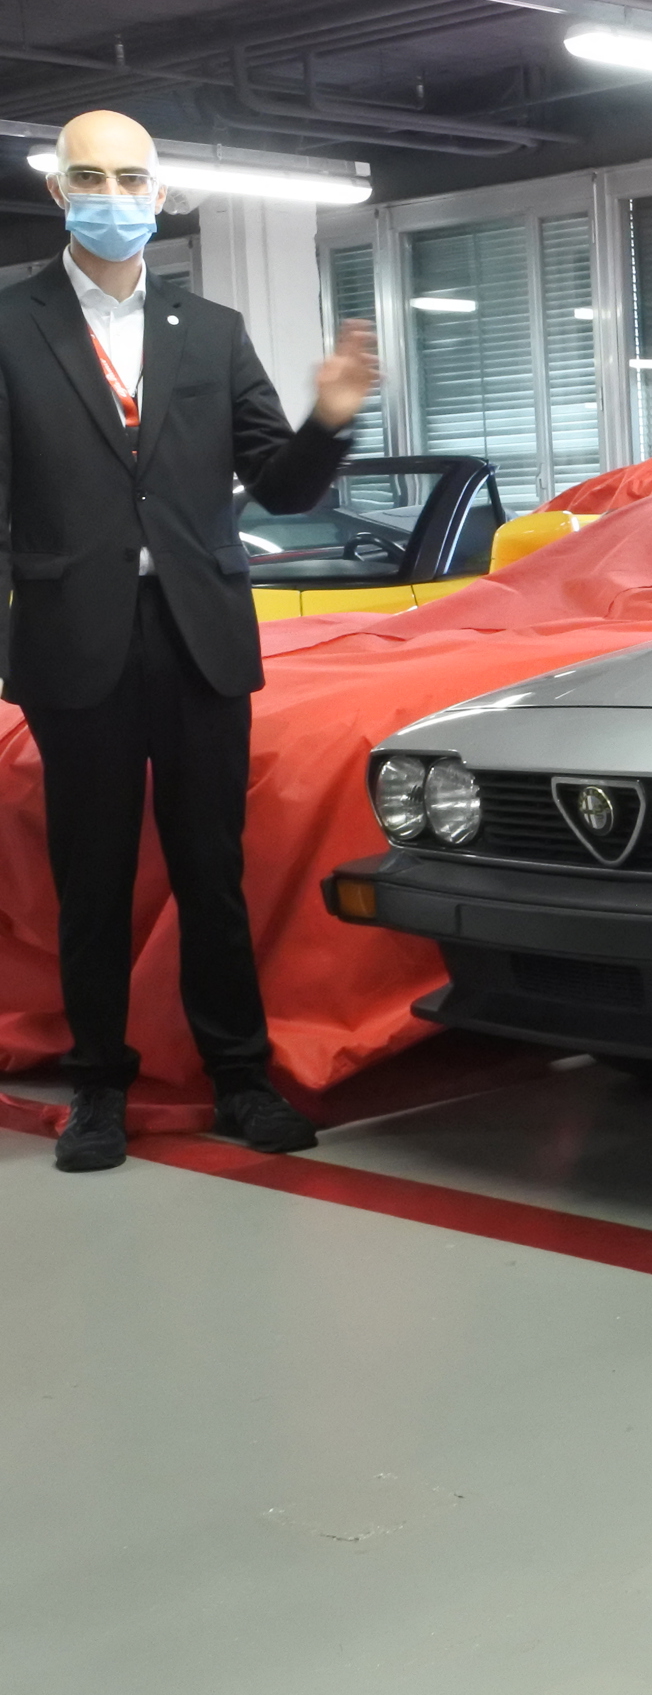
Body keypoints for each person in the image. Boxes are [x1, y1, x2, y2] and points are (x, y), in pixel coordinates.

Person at [0, 109, 379, 1172]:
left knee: (213, 868)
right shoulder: (10, 325)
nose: (112, 196)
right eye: (89, 177)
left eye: (130, 177)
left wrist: (331, 418)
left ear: (160, 193)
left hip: (198, 634)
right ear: (57, 191)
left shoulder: (209, 331)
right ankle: (99, 1088)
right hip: (74, 639)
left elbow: (282, 487)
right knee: (91, 874)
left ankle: (240, 1078)